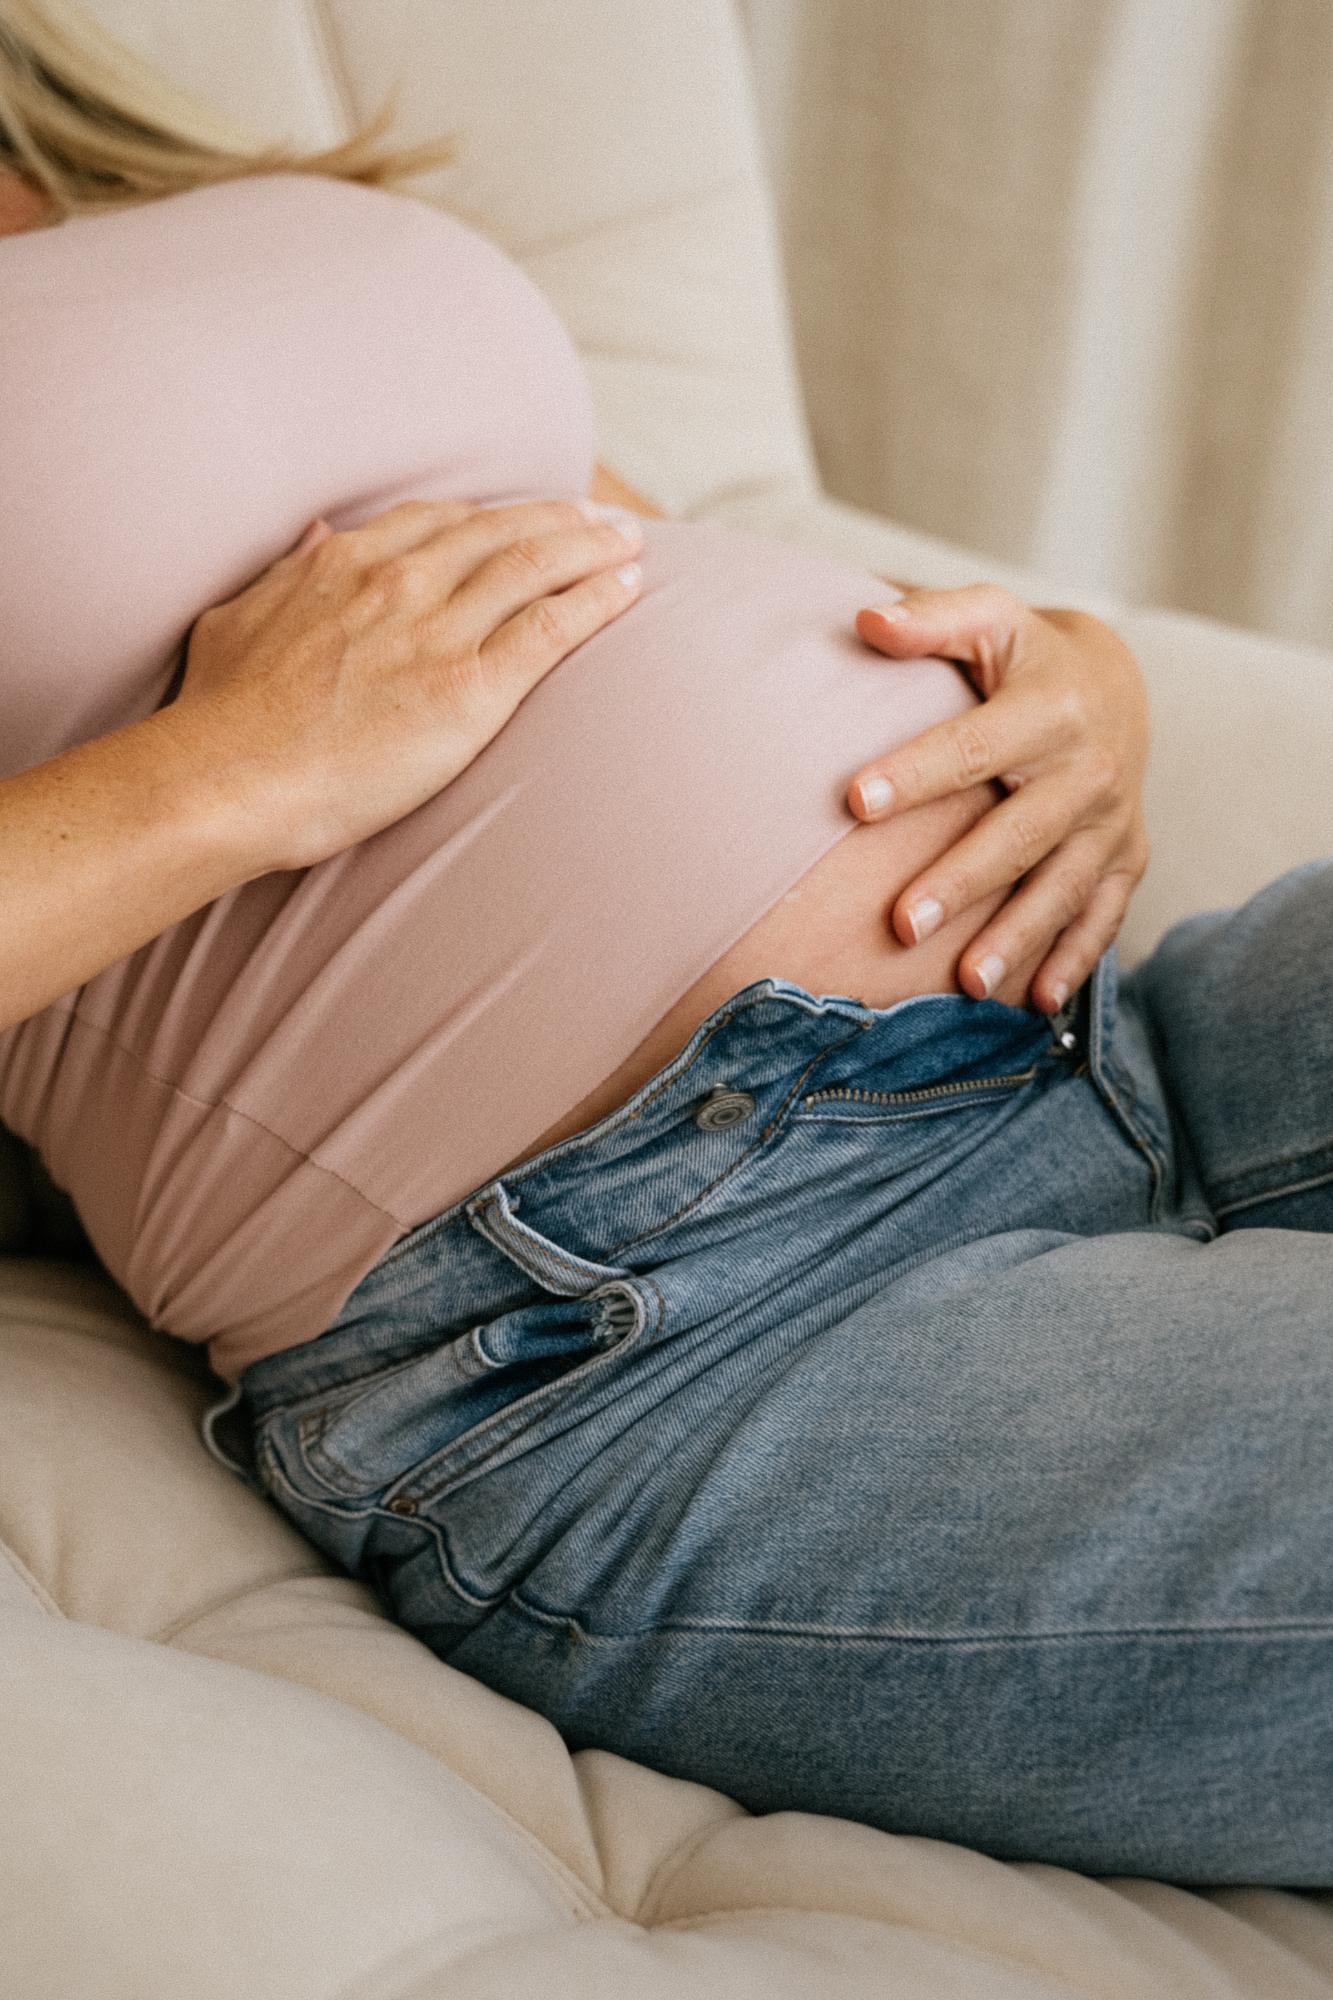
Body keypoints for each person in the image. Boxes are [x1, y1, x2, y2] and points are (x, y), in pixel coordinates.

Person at [2, 0, 1330, 1887]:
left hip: (1113, 1018)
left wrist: (1070, 677)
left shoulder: (115, 151)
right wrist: (236, 768)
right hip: (677, 1330)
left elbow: (599, 559)